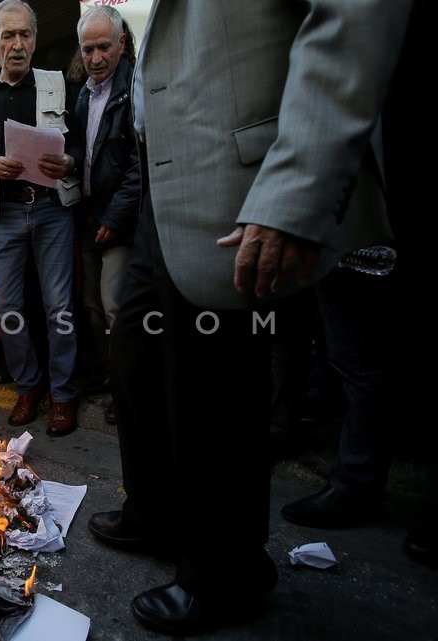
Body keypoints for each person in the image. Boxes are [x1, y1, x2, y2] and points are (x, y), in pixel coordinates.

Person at [86, 1, 413, 635]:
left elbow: (353, 18)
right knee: (137, 353)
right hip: (163, 183)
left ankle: (227, 571)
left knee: (214, 382)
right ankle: (155, 511)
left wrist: (297, 189)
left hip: (232, 176)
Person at [0, 0, 80, 436]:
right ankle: (30, 386)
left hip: (52, 210)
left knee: (59, 306)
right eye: (7, 35)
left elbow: (83, 145)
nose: (16, 44)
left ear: (35, 38)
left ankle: (64, 395)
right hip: (4, 212)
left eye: (24, 34)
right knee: (8, 306)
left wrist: (69, 163)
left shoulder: (60, 85)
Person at [68, 6, 140, 419]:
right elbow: (84, 150)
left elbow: (138, 166)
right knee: (94, 309)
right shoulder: (83, 92)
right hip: (89, 217)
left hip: (120, 222)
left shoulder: (135, 89)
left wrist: (115, 219)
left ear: (122, 44)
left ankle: (128, 390)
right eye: (88, 49)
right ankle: (110, 378)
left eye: (103, 47)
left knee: (116, 308)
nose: (95, 58)